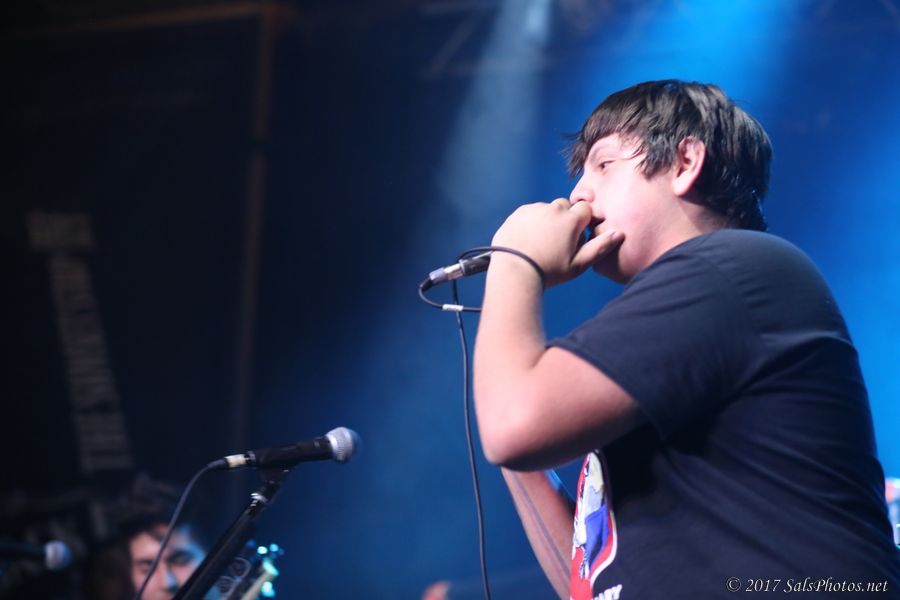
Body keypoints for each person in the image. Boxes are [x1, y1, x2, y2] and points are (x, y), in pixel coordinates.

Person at [472, 80, 900, 598]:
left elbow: (514, 425)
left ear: (684, 163)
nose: (578, 194)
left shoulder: (734, 267)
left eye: (603, 165)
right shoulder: (683, 320)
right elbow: (590, 582)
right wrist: (505, 409)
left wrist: (515, 260)